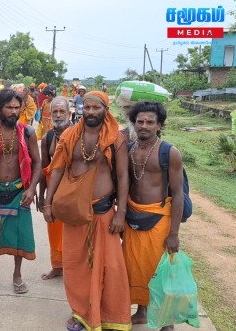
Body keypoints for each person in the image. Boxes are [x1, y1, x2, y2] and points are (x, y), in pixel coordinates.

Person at [43, 91, 131, 331]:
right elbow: (57, 169)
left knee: (111, 267)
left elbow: (123, 177)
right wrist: (47, 202)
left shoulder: (116, 138)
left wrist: (121, 212)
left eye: (96, 108)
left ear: (105, 109)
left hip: (103, 210)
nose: (91, 112)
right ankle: (81, 312)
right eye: (87, 107)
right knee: (75, 264)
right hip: (74, 212)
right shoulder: (70, 135)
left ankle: (111, 315)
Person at [122, 101, 183, 331]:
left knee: (160, 270)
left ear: (159, 125)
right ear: (134, 123)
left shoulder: (170, 152)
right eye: (140, 121)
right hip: (133, 216)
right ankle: (141, 312)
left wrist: (174, 233)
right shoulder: (128, 150)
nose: (144, 125)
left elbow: (177, 195)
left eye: (150, 122)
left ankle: (166, 320)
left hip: (159, 218)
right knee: (135, 266)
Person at [0, 89, 41, 294]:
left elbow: (38, 163)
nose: (14, 111)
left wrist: (31, 188)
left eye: (16, 107)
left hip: (18, 192)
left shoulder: (27, 132)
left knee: (19, 236)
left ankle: (17, 275)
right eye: (9, 107)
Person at [37, 96, 72, 280]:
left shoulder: (79, 134)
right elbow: (44, 169)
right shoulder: (47, 138)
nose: (58, 115)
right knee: (54, 229)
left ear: (69, 113)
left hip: (74, 193)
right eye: (55, 112)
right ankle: (57, 267)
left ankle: (74, 268)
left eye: (62, 111)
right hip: (54, 192)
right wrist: (42, 196)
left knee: (74, 231)